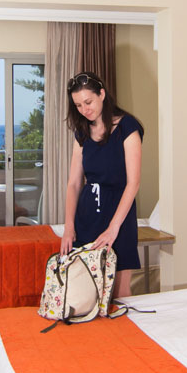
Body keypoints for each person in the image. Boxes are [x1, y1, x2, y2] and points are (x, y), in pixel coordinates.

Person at [62, 71, 143, 299]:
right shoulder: (82, 132)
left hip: (119, 215)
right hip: (88, 214)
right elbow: (74, 183)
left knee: (119, 292)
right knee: (85, 292)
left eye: (88, 102)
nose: (84, 110)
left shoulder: (128, 127)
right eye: (78, 105)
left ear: (102, 94)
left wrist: (114, 227)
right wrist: (69, 226)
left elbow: (133, 183)